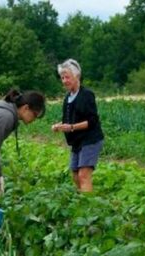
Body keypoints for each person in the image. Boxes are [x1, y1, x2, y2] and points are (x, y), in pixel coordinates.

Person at [51, 59, 104, 193]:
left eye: (67, 77)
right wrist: (59, 126)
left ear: (77, 76)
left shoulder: (86, 95)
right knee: (75, 175)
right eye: (62, 78)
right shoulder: (67, 98)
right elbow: (67, 120)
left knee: (83, 175)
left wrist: (72, 127)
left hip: (90, 139)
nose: (64, 81)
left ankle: (88, 208)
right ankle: (83, 201)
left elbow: (92, 121)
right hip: (77, 141)